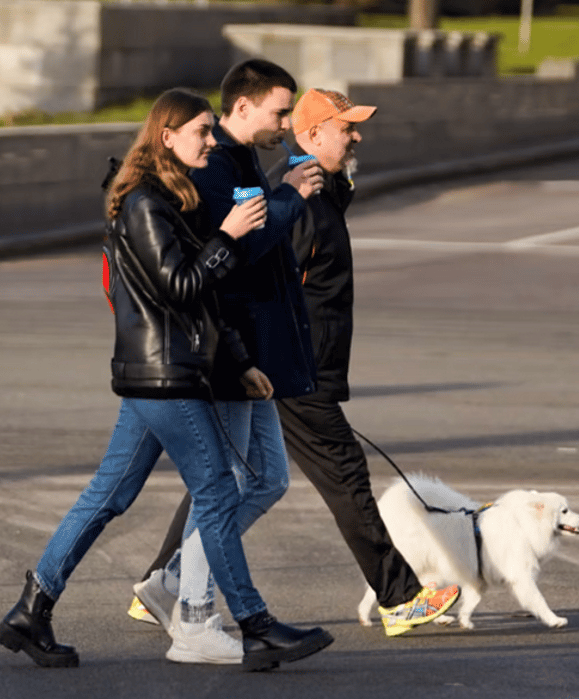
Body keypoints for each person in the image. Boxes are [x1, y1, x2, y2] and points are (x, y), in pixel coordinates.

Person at [0, 88, 332, 671]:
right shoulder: (146, 203)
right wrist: (226, 236)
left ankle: (32, 609)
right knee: (219, 494)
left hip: (159, 372)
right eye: (201, 131)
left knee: (109, 495)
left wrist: (242, 361)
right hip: (163, 375)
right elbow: (181, 287)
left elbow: (203, 298)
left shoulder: (172, 198)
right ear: (166, 137)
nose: (210, 140)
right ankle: (254, 624)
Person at [135, 88, 459, 639]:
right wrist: (266, 359)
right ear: (310, 135)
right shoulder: (296, 201)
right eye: (345, 128)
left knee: (227, 477)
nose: (356, 136)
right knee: (344, 475)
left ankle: (160, 583)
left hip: (295, 366)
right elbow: (261, 275)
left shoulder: (321, 190)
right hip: (292, 367)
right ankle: (399, 598)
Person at [126, 60, 324, 665]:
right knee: (228, 485)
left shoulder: (237, 164)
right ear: (243, 108)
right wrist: (288, 198)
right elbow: (230, 260)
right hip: (225, 354)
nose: (286, 124)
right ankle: (192, 610)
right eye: (280, 112)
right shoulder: (215, 170)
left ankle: (175, 583)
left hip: (247, 353)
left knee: (262, 480)